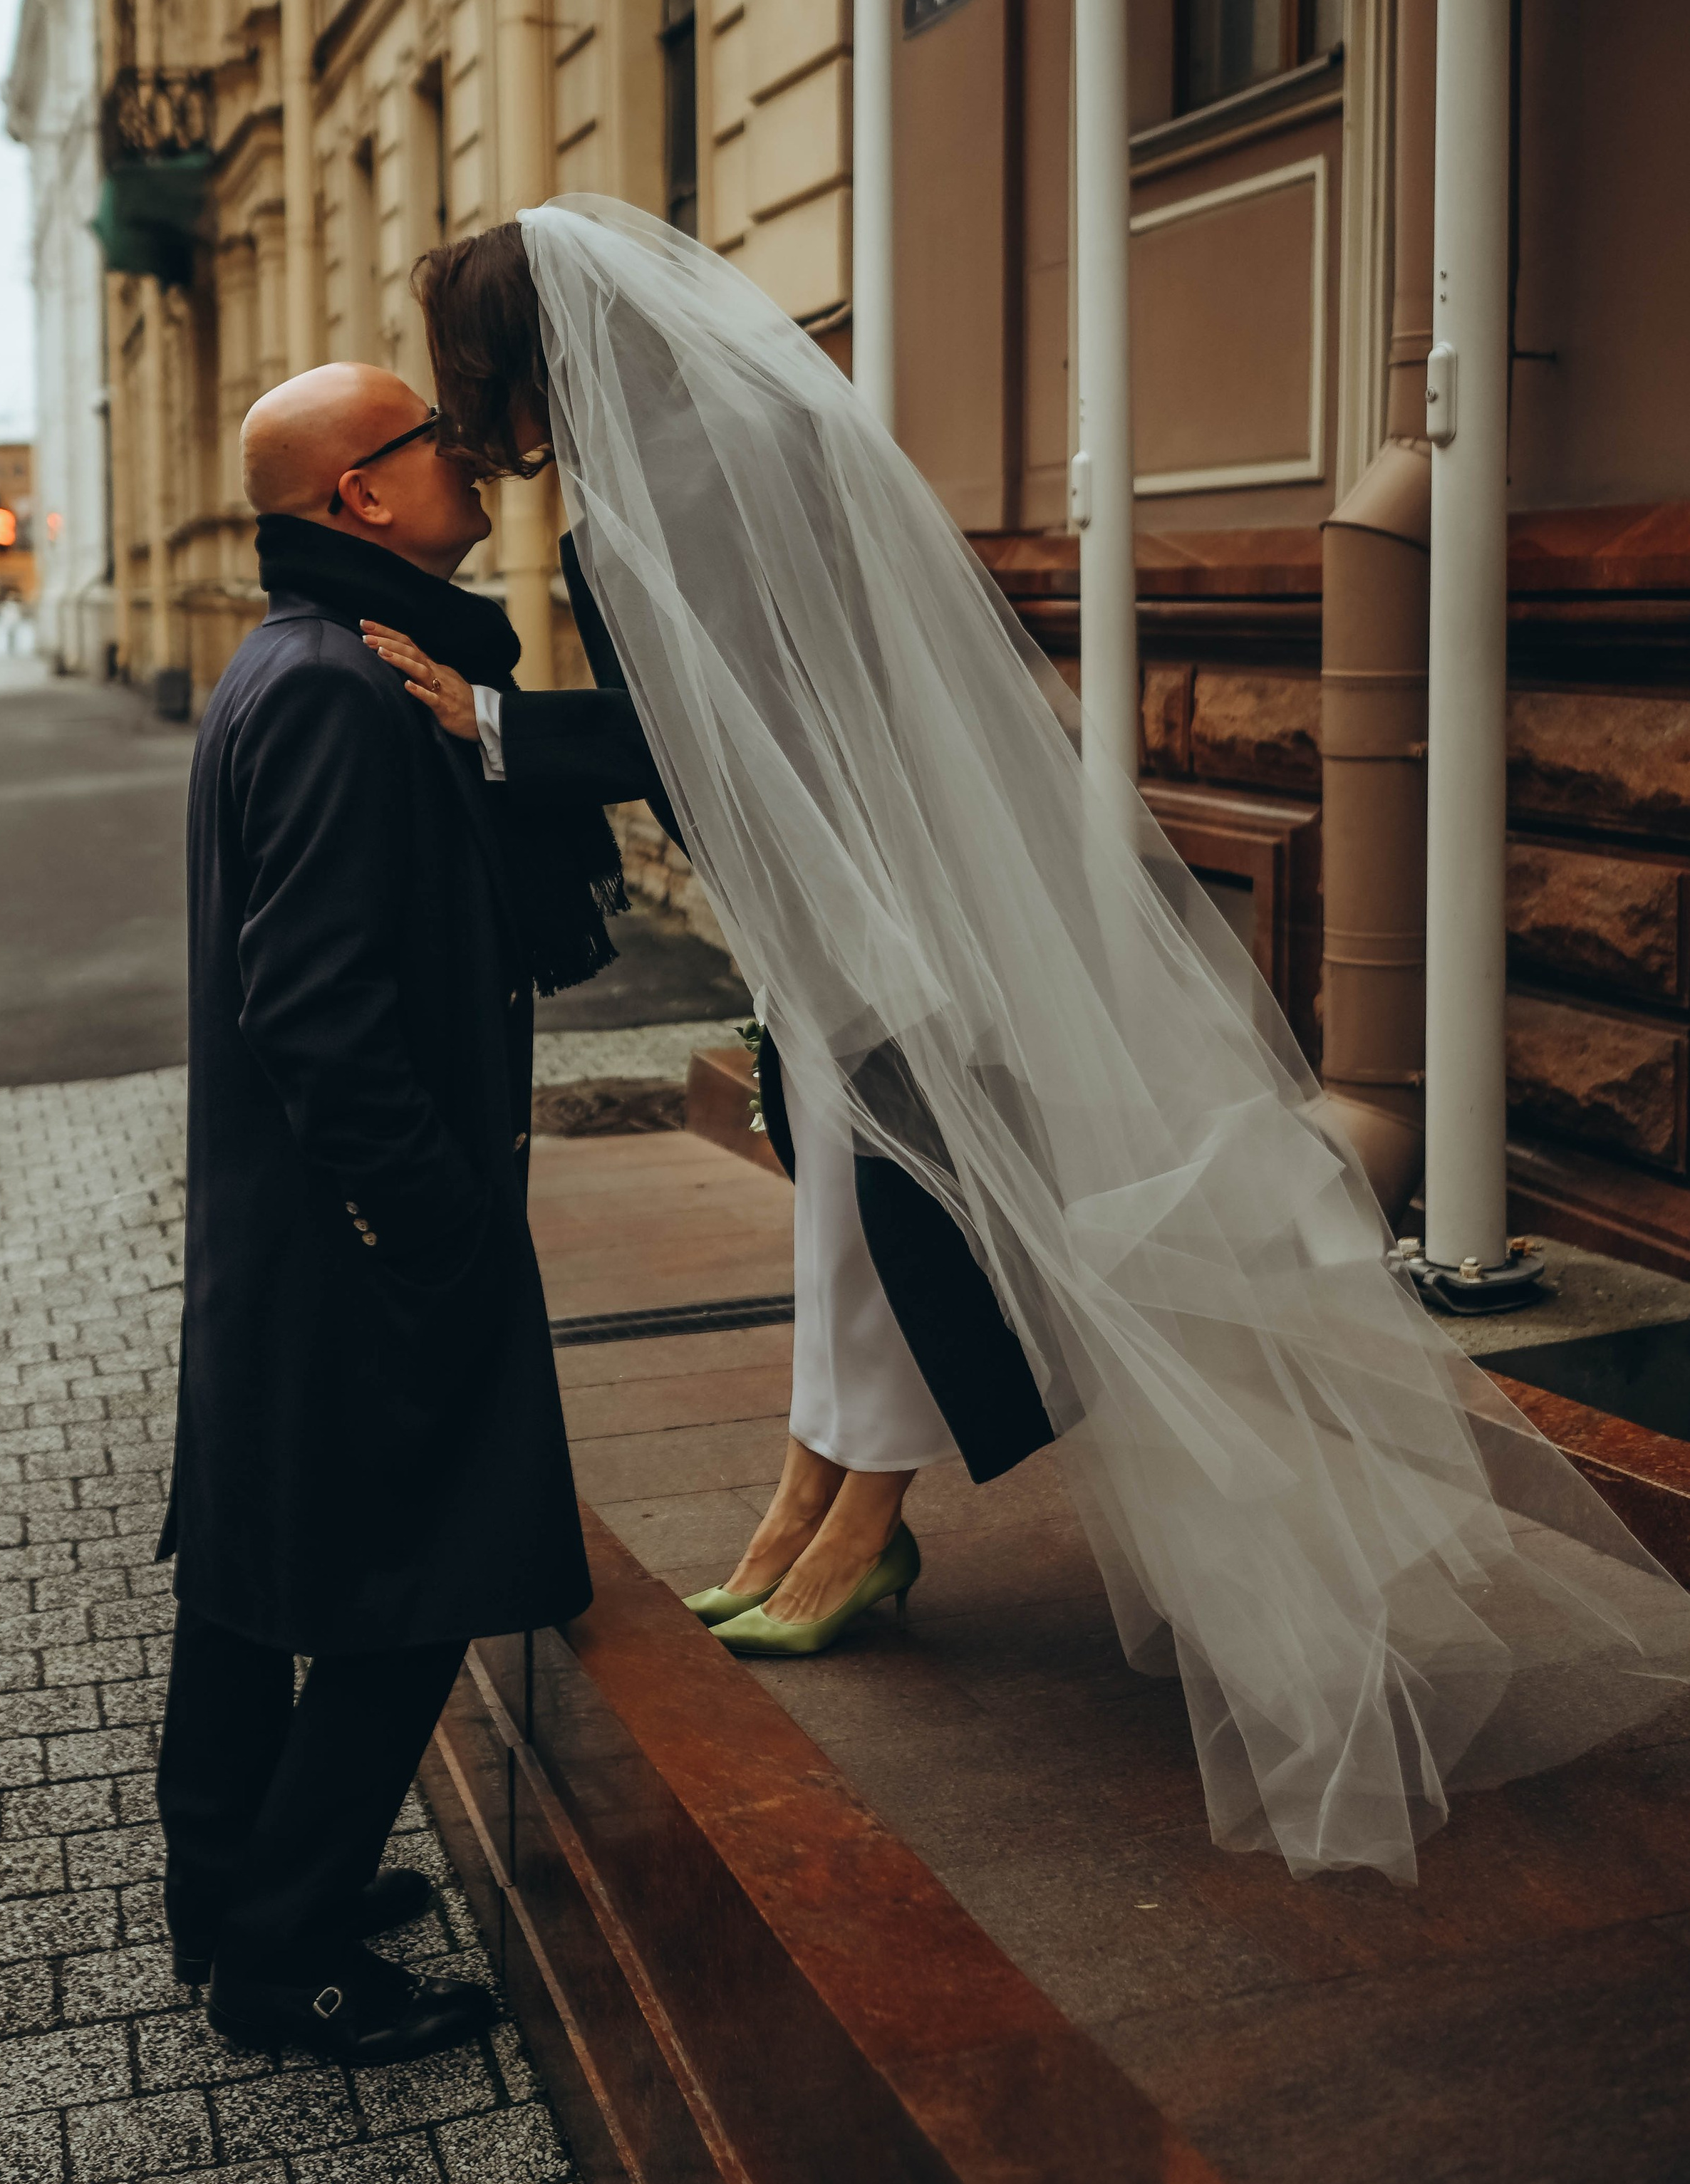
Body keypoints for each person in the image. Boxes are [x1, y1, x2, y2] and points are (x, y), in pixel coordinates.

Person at [371, 195, 1690, 1891]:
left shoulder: (688, 475)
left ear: (521, 350)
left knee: (908, 1202)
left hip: (879, 906)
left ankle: (855, 1524)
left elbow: (724, 729)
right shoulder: (719, 443)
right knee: (857, 1202)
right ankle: (820, 1512)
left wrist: (487, 721)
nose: (469, 410)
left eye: (468, 375)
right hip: (871, 890)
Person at [160, 360, 654, 2061]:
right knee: (420, 1574)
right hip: (363, 1243)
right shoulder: (336, 690)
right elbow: (312, 1009)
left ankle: (225, 1881)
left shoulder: (317, 661)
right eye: (427, 437)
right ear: (356, 496)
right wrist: (437, 1229)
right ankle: (281, 1953)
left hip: (296, 1238)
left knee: (248, 1563)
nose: (467, 455)